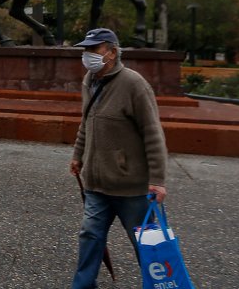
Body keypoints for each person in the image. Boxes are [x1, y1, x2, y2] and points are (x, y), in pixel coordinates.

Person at [69, 27, 168, 289]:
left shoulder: (134, 84)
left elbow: (153, 133)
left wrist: (157, 179)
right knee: (90, 236)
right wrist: (78, 155)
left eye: (94, 49)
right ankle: (82, 286)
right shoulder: (89, 81)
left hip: (131, 187)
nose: (87, 54)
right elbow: (86, 122)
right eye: (85, 49)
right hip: (96, 183)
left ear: (112, 52)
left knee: (146, 245)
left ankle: (161, 284)